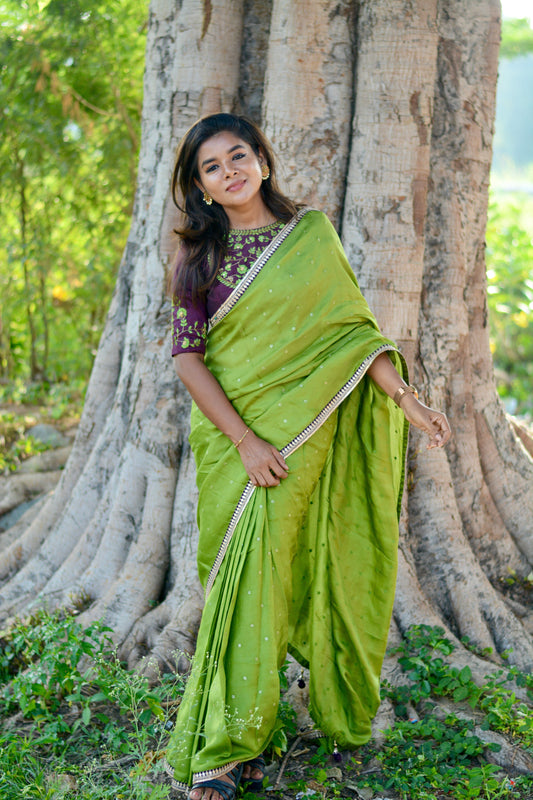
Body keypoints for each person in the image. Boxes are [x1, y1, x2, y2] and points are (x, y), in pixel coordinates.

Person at [164, 112, 451, 800]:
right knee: (243, 581)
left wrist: (405, 399)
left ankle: (235, 745)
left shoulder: (310, 236)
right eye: (212, 166)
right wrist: (245, 439)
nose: (229, 171)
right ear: (199, 186)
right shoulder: (196, 257)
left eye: (238, 156)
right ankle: (229, 740)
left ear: (262, 159)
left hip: (307, 428)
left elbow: (351, 335)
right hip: (241, 442)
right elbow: (186, 358)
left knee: (289, 570)